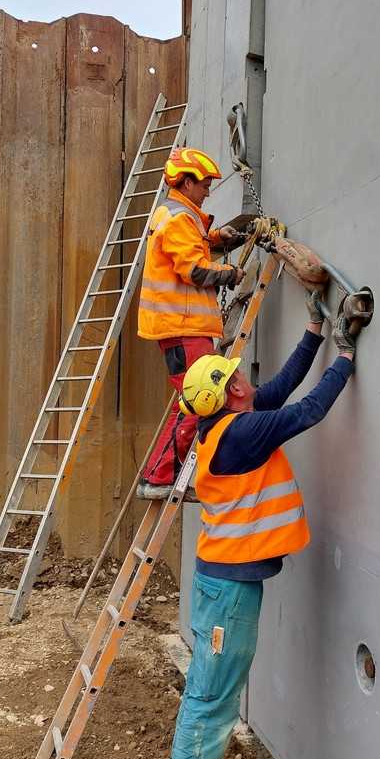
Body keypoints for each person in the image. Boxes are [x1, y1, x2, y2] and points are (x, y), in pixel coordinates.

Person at [159, 289, 364, 759]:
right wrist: (345, 357)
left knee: (208, 692)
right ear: (230, 397)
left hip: (219, 582)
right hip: (229, 591)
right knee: (213, 700)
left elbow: (281, 386)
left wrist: (314, 332)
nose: (245, 380)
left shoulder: (228, 424)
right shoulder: (242, 433)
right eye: (234, 380)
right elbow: (309, 410)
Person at [137, 147, 247, 499]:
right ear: (185, 182)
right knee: (201, 398)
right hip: (183, 326)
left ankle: (160, 474)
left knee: (194, 397)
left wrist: (218, 237)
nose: (208, 190)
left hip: (180, 326)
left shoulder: (178, 215)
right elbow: (194, 269)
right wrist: (230, 274)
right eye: (203, 184)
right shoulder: (180, 218)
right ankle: (159, 477)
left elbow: (191, 249)